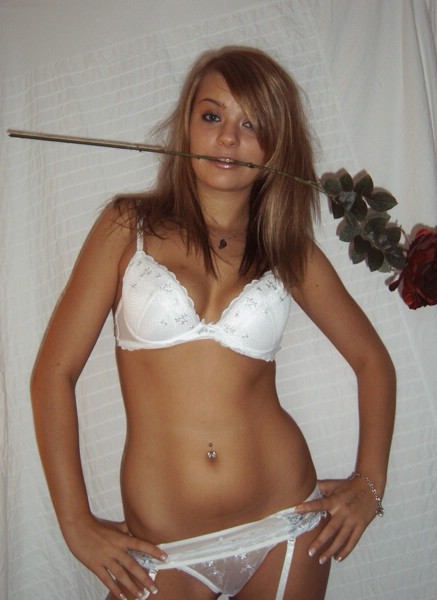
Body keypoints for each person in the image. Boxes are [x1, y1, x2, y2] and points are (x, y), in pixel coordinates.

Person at [31, 46, 396, 600]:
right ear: (186, 124)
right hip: (162, 548)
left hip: (284, 526)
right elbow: (53, 375)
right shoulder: (127, 228)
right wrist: (75, 523)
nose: (228, 137)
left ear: (276, 147)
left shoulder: (288, 250)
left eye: (251, 124)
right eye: (212, 115)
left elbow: (373, 362)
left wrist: (370, 483)